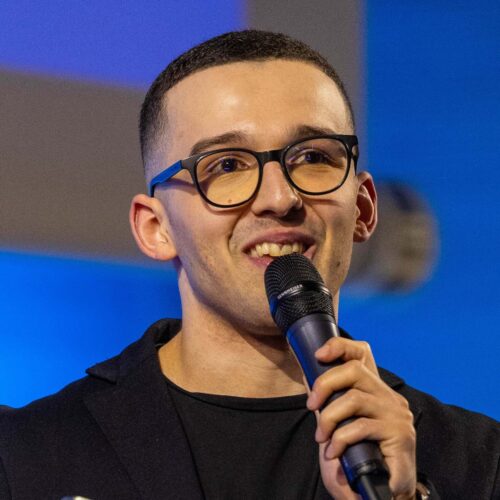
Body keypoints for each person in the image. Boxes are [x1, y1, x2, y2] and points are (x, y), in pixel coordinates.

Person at [0, 30, 498, 500]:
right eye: (227, 165)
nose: (280, 198)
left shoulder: (479, 463)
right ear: (155, 228)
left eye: (313, 157)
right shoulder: (24, 456)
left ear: (363, 209)